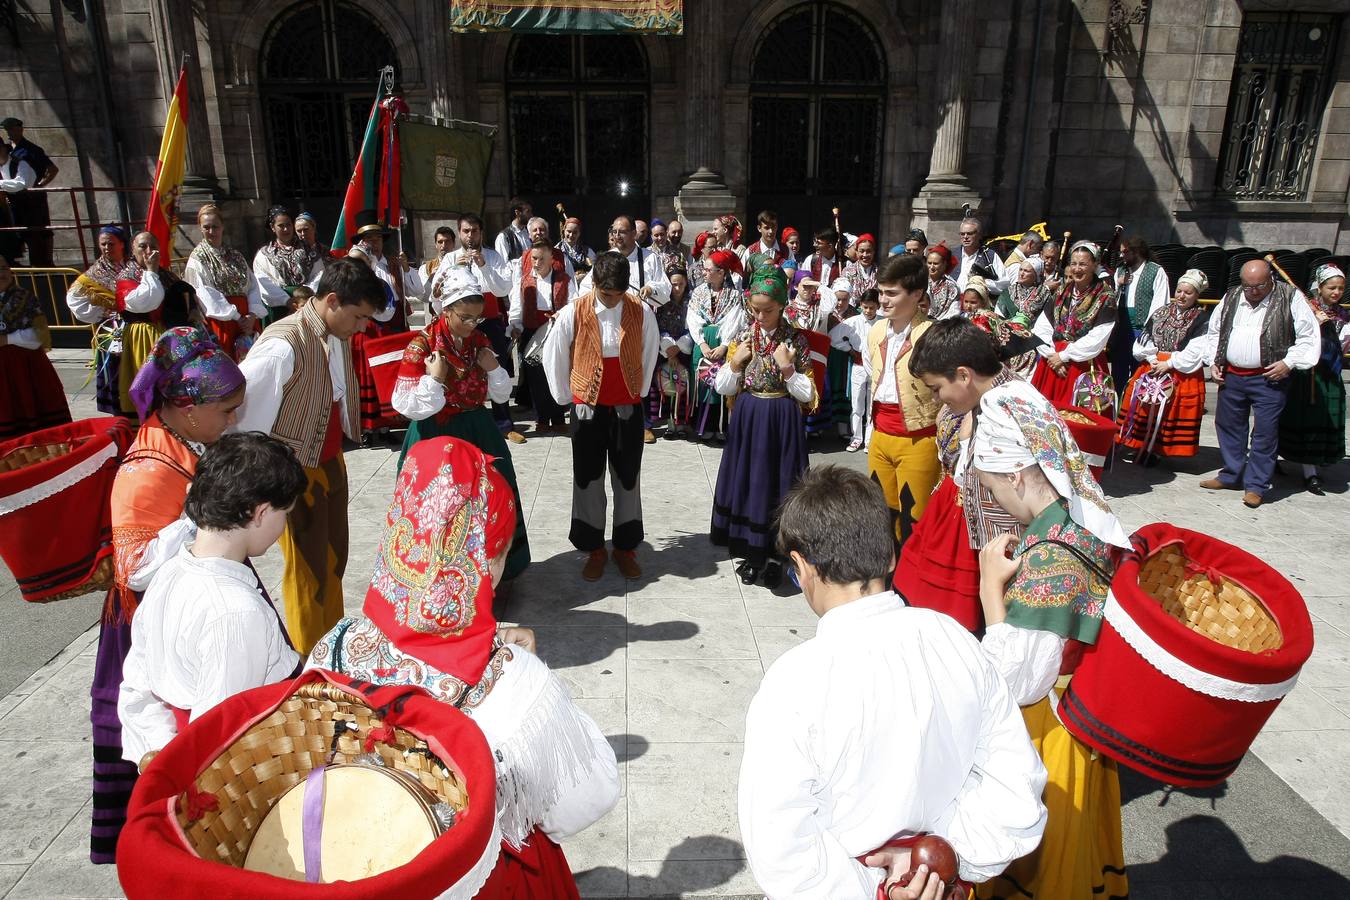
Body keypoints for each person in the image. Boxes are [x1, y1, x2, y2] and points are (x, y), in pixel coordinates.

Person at [309, 436, 620, 896]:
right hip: (472, 881)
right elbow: (586, 800)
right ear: (485, 563)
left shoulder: (334, 647)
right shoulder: (509, 680)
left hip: (359, 868)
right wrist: (530, 677)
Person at [738, 464, 1048, 899]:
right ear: (891, 556)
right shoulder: (955, 640)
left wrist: (879, 887)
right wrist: (941, 858)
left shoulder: (792, 684)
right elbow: (1017, 791)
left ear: (801, 567)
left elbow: (780, 847)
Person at [968, 376, 1133, 900]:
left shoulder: (1051, 560)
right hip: (1080, 720)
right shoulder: (1082, 522)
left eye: (993, 487)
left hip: (1050, 737)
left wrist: (989, 589)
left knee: (1042, 866)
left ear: (1018, 476)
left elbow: (1016, 680)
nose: (993, 501)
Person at [93, 326, 245, 864]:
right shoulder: (146, 470)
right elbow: (132, 568)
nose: (233, 421)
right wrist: (199, 510)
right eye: (227, 411)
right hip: (150, 623)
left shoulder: (186, 442)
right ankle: (164, 844)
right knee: (156, 728)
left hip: (188, 602)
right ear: (185, 408)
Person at [118, 432, 305, 771]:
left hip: (176, 746)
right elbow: (222, 734)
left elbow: (138, 681)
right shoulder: (234, 612)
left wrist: (159, 751)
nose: (283, 525)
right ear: (261, 512)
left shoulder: (170, 571)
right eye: (284, 513)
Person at [235, 257, 386, 652]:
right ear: (332, 300)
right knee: (307, 570)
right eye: (358, 317)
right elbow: (246, 420)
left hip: (330, 459)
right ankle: (308, 658)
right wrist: (264, 485)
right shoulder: (282, 345)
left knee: (334, 558)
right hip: (294, 472)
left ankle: (330, 642)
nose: (362, 327)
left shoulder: (335, 335)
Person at [896, 318, 1035, 631]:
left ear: (963, 374)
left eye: (936, 388)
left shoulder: (1004, 412)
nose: (935, 399)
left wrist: (966, 443)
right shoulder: (986, 399)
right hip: (960, 508)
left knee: (964, 618)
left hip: (992, 532)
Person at [393, 265, 532, 580]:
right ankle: (435, 574)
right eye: (465, 317)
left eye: (477, 318)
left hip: (477, 431)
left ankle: (486, 572)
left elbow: (500, 394)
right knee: (438, 506)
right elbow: (404, 404)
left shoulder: (480, 340)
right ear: (446, 308)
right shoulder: (423, 343)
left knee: (488, 500)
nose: (472, 325)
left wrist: (495, 368)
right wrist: (435, 381)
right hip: (433, 434)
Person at [542, 251, 659, 581]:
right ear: (593, 285)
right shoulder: (573, 312)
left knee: (628, 478)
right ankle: (593, 547)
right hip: (587, 407)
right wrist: (567, 396)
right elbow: (555, 354)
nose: (613, 300)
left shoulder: (641, 311)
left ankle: (625, 547)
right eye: (607, 294)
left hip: (626, 405)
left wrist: (638, 388)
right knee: (588, 479)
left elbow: (648, 352)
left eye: (619, 294)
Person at [710, 267, 814, 588]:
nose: (760, 315)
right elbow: (723, 388)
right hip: (749, 414)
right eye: (755, 309)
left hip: (782, 418)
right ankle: (751, 551)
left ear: (783, 305)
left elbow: (808, 394)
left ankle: (777, 555)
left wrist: (788, 370)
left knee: (778, 481)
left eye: (767, 310)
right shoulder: (744, 337)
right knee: (750, 478)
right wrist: (734, 363)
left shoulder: (796, 340)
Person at [1198, 259, 1318, 509]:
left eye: (1259, 286)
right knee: (1228, 424)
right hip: (1232, 374)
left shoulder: (1289, 296)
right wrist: (1214, 361)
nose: (1253, 291)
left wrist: (1289, 362)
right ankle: (1231, 474)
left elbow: (1308, 335)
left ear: (1271, 278)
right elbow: (1215, 331)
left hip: (1269, 377)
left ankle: (1256, 486)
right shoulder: (1232, 295)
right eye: (1247, 285)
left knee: (1265, 432)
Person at [865, 253, 941, 548]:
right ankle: (885, 575)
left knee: (914, 515)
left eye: (892, 293)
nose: (883, 300)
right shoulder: (875, 331)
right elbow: (874, 376)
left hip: (918, 438)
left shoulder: (932, 334)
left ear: (917, 294)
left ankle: (910, 583)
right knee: (881, 513)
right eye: (881, 292)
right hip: (881, 433)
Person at [428, 214, 521, 441]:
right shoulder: (449, 259)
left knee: (495, 366)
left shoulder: (493, 257)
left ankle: (503, 423)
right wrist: (451, 273)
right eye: (466, 231)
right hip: (458, 323)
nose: (471, 236)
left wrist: (484, 266)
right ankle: (458, 419)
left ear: (481, 233)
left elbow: (502, 289)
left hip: (487, 321)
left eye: (475, 231)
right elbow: (435, 295)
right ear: (460, 233)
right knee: (458, 370)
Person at [1117, 269, 1211, 465]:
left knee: (1168, 409)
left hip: (1178, 370)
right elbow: (1145, 338)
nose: (1182, 296)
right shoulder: (1160, 312)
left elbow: (1197, 350)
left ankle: (1157, 450)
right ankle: (1138, 445)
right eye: (1179, 291)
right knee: (1144, 405)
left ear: (1197, 295)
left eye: (1188, 292)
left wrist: (1169, 363)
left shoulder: (1201, 319)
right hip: (1152, 365)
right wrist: (1151, 358)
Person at [1278, 263, 1347, 495]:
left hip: (1330, 375)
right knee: (1304, 420)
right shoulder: (1304, 309)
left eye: (1340, 288)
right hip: (1307, 376)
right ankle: (1309, 472)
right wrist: (1314, 326)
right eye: (1331, 287)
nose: (1336, 292)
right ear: (1320, 287)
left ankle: (1316, 463)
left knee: (1327, 419)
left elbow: (1342, 344)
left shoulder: (1343, 315)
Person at [1030, 240, 1117, 408]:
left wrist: (1064, 356)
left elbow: (1099, 336)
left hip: (1083, 364)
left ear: (1095, 265)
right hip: (1052, 361)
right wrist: (1051, 355)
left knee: (1077, 415)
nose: (1077, 269)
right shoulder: (1062, 291)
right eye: (1074, 263)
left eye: (1083, 264)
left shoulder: (1105, 296)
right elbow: (1043, 326)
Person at [66, 225, 139, 415]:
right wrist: (102, 311)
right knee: (116, 372)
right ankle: (121, 413)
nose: (107, 248)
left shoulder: (134, 267)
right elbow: (74, 299)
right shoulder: (94, 275)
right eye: (103, 244)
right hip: (113, 333)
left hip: (137, 329)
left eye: (111, 243)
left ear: (122, 244)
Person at [510, 238, 577, 435]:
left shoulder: (564, 279)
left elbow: (574, 304)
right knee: (536, 378)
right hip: (532, 331)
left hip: (556, 331)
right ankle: (541, 418)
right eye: (533, 259)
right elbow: (516, 306)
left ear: (551, 259)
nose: (536, 263)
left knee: (556, 373)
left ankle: (557, 418)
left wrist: (561, 316)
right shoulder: (524, 281)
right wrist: (514, 326)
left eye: (540, 259)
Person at [0, 255, 71, 438]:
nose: (2, 274)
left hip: (28, 367)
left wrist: (6, 340)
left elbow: (37, 337)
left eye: (4, 268)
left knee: (37, 412)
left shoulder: (25, 298)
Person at [184, 204, 265, 361]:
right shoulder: (198, 258)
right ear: (200, 228)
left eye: (215, 226)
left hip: (246, 321)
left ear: (222, 227)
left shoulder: (235, 255)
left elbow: (252, 285)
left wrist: (252, 315)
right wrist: (236, 316)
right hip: (223, 322)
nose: (212, 232)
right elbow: (204, 293)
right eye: (207, 227)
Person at [687, 249, 746, 443]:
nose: (704, 272)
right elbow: (693, 319)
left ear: (721, 272)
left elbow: (735, 321)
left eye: (708, 269)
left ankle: (722, 427)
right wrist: (702, 343)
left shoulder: (734, 295)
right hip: (703, 344)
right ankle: (705, 427)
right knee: (703, 384)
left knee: (723, 383)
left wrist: (725, 345)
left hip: (722, 344)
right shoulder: (698, 292)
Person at [1110, 236, 1170, 394]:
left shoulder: (1155, 271)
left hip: (1142, 330)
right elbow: (1111, 300)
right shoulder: (1120, 270)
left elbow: (1160, 304)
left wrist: (1149, 330)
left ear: (1136, 251)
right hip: (1121, 329)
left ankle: (1135, 407)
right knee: (1118, 371)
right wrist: (1119, 285)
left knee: (1140, 372)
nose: (1122, 255)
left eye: (1125, 252)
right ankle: (1118, 405)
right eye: (1120, 252)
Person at [580, 216, 671, 310]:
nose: (617, 236)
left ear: (634, 233)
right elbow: (585, 288)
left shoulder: (650, 258)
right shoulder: (606, 258)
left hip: (639, 316)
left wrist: (650, 289)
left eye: (622, 232)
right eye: (614, 232)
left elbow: (665, 289)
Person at [252, 205, 324, 325]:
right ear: (272, 227)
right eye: (281, 226)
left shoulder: (308, 249)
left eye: (288, 224)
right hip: (279, 308)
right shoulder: (264, 254)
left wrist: (306, 298)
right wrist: (287, 301)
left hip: (307, 304)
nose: (286, 229)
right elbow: (262, 281)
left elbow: (319, 273)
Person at [1, 117, 58, 266]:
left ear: (20, 129)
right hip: (15, 197)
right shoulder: (9, 150)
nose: (9, 132)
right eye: (6, 129)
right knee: (21, 230)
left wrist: (39, 184)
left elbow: (52, 169)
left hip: (32, 196)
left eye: (11, 129)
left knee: (40, 229)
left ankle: (46, 262)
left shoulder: (30, 150)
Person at [830, 287, 880, 452]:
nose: (868, 311)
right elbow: (833, 337)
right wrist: (849, 349)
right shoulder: (853, 322)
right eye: (865, 307)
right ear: (860, 306)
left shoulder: (884, 321)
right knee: (857, 404)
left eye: (872, 307)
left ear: (878, 306)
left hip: (876, 366)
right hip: (858, 365)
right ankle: (856, 438)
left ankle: (869, 440)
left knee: (872, 404)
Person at [650, 258, 694, 439]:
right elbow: (657, 325)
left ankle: (681, 423)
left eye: (681, 284)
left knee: (682, 386)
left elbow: (693, 325)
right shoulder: (662, 301)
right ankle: (668, 423)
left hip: (683, 349)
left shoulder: (691, 300)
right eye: (674, 284)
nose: (677, 288)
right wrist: (668, 350)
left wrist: (679, 348)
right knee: (665, 387)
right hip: (664, 349)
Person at [995, 257, 1046, 325]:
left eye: (1026, 271)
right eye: (1020, 269)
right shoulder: (1007, 292)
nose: (1021, 274)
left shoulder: (1044, 294)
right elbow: (998, 316)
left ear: (1036, 275)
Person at [926, 243, 961, 320]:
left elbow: (954, 312)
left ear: (944, 264)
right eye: (929, 263)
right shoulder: (921, 281)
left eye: (935, 264)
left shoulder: (952, 286)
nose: (931, 267)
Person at [556, 215, 596, 280]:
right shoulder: (557, 250)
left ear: (579, 233)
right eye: (569, 231)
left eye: (575, 232)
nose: (571, 235)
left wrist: (584, 276)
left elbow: (595, 269)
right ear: (564, 231)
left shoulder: (586, 250)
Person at [495, 196, 532, 262]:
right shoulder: (503, 237)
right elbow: (503, 264)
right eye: (528, 211)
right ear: (517, 213)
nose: (531, 215)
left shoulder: (530, 233)